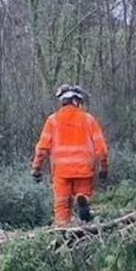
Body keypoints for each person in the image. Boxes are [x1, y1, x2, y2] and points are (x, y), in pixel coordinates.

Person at [31, 84, 109, 226]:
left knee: (62, 204)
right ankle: (82, 199)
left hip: (61, 172)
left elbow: (42, 148)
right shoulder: (88, 119)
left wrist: (36, 168)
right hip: (84, 170)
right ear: (76, 101)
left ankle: (62, 231)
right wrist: (103, 168)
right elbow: (101, 148)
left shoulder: (53, 120)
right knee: (84, 194)